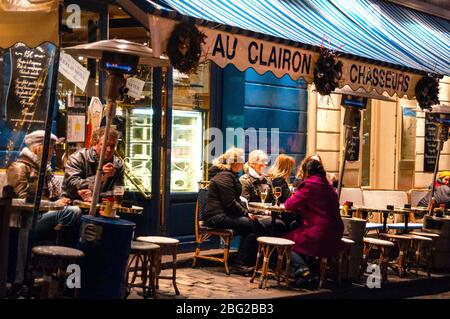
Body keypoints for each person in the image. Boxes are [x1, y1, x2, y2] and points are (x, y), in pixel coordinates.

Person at [6, 130, 82, 295]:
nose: (53, 152)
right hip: (28, 219)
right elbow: (22, 202)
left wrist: (61, 201)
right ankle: (65, 266)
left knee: (77, 214)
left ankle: (65, 266)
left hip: (41, 216)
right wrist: (53, 204)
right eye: (50, 148)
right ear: (38, 147)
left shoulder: (45, 170)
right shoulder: (20, 167)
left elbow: (53, 195)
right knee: (72, 212)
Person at [283, 155, 344, 287]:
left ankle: (302, 271)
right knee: (297, 230)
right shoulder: (328, 185)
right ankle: (309, 269)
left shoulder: (309, 184)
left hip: (320, 231)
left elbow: (289, 205)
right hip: (336, 231)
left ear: (307, 172)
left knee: (286, 241)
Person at [204, 148, 268, 273]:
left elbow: (235, 200)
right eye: (242, 161)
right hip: (216, 217)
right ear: (235, 163)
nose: (243, 164)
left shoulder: (229, 175)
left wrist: (247, 213)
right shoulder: (224, 176)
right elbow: (230, 203)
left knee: (252, 226)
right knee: (253, 225)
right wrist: (246, 213)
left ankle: (244, 262)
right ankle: (241, 263)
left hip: (224, 215)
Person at [62, 127, 124, 202]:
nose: (109, 150)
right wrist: (99, 176)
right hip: (75, 203)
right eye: (105, 145)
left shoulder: (117, 164)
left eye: (112, 146)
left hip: (102, 206)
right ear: (95, 144)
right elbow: (72, 185)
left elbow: (118, 190)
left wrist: (99, 197)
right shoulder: (78, 158)